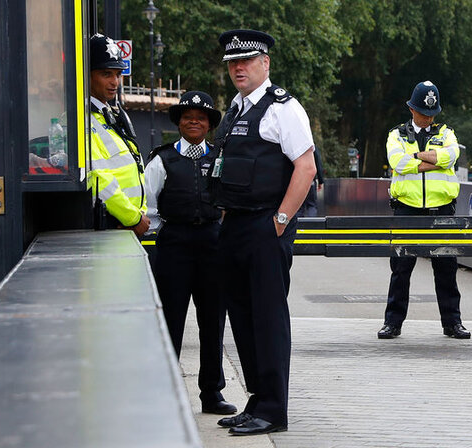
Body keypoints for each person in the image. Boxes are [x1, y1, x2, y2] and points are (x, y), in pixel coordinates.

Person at [211, 29, 316, 436]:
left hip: (265, 225)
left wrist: (280, 221)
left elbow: (305, 168)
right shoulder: (237, 109)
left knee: (268, 318)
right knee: (243, 316)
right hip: (236, 224)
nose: (239, 68)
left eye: (247, 61)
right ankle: (257, 400)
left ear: (265, 63)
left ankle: (274, 409)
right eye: (233, 63)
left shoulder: (283, 109)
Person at [145, 91, 236, 416]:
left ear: (210, 124)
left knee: (213, 322)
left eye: (200, 117)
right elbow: (149, 207)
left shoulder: (221, 158)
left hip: (213, 244)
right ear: (179, 123)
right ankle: (165, 394)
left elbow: (230, 199)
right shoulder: (162, 159)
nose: (193, 121)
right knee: (170, 321)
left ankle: (211, 394)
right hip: (174, 246)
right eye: (187, 116)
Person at [378, 80, 470, 340]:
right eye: (423, 113)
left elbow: (450, 157)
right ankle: (392, 323)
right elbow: (397, 162)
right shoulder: (396, 134)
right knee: (401, 267)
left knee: (446, 267)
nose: (428, 118)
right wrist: (432, 160)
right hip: (407, 208)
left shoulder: (446, 133)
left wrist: (416, 158)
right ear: (411, 109)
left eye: (432, 114)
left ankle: (452, 323)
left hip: (441, 210)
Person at [87, 34, 149, 236]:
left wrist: (139, 214)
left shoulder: (111, 114)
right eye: (106, 74)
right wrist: (133, 218)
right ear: (87, 75)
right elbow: (98, 178)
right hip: (112, 225)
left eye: (118, 74)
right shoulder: (82, 121)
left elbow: (136, 168)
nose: (115, 82)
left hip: (126, 224)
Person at [297, 146, 325, 217]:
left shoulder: (295, 148)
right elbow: (318, 164)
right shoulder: (312, 147)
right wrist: (321, 180)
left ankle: (300, 226)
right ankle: (312, 225)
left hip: (297, 181)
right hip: (310, 181)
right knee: (311, 205)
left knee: (298, 206)